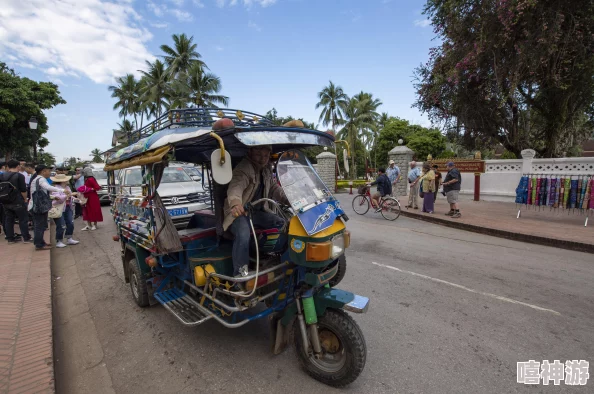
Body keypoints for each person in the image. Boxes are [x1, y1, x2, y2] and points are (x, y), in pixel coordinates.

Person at [224, 145, 288, 278]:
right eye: (259, 155)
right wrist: (236, 203)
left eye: (265, 156)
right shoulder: (244, 168)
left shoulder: (266, 169)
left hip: (258, 212)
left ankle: (258, 251)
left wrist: (289, 197)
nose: (262, 159)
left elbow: (274, 188)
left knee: (282, 223)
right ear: (250, 152)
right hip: (239, 213)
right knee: (243, 233)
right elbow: (236, 186)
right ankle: (240, 274)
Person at [29, 165, 67, 250]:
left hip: (37, 205)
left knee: (40, 225)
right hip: (38, 207)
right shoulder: (41, 179)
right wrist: (62, 190)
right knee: (39, 226)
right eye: (48, 171)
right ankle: (39, 244)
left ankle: (41, 242)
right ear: (43, 171)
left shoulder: (36, 179)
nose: (49, 173)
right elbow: (48, 187)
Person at [0, 160, 32, 244]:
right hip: (17, 201)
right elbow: (23, 190)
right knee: (23, 219)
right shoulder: (19, 176)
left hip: (5, 200)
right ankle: (26, 238)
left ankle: (10, 238)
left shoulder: (2, 175)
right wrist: (25, 199)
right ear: (18, 166)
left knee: (8, 219)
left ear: (8, 166)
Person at [49, 173, 80, 248]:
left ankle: (69, 238)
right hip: (58, 208)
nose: (67, 181)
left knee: (70, 223)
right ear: (63, 181)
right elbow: (58, 199)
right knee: (61, 225)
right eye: (66, 180)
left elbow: (70, 197)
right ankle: (59, 241)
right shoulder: (54, 188)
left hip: (68, 207)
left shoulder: (67, 187)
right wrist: (69, 195)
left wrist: (75, 198)